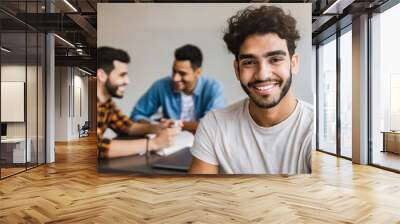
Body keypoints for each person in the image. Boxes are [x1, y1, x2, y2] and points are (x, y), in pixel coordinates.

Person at [189, 5, 313, 174]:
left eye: (275, 59)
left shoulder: (315, 128)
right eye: (249, 62)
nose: (262, 75)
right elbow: (198, 195)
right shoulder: (214, 125)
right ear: (236, 69)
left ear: (294, 63)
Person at [97, 46, 180, 159]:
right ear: (101, 75)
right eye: (122, 75)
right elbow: (96, 147)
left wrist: (158, 127)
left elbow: (127, 126)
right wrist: (154, 143)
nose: (128, 81)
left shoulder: (107, 103)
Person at [130, 44, 226, 133]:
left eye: (182, 73)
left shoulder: (214, 88)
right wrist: (156, 126)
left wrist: (174, 124)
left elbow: (213, 125)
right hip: (170, 144)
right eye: (174, 71)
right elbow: (136, 115)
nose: (175, 78)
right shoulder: (161, 86)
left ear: (198, 72)